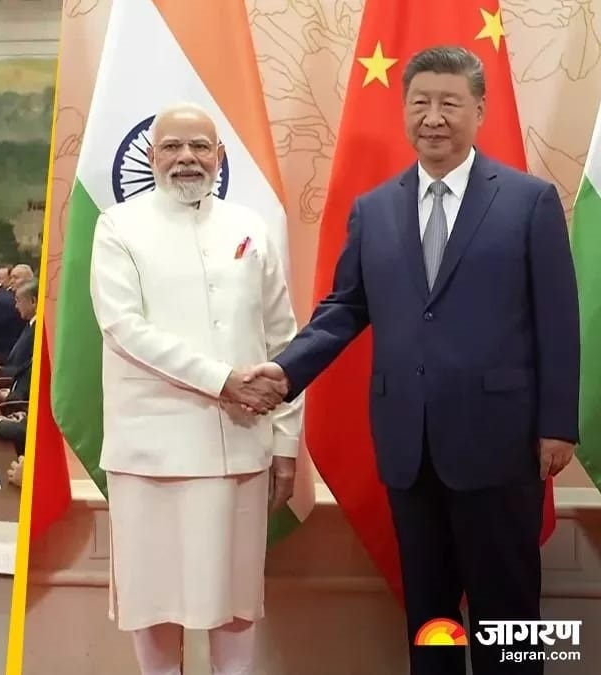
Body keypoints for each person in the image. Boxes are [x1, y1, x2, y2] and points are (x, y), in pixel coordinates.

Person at [248, 47, 580, 675]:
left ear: (479, 110)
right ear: (404, 111)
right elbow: (345, 308)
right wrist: (287, 371)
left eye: (449, 103)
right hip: (409, 446)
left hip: (502, 444)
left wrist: (558, 425)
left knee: (509, 610)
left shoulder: (528, 201)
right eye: (420, 103)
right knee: (430, 611)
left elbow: (559, 321)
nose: (433, 117)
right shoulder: (374, 209)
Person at [90, 102, 301, 675]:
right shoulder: (118, 226)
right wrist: (221, 380)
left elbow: (284, 341)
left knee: (236, 608)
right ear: (151, 156)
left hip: (241, 450)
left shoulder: (249, 227)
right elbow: (123, 328)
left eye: (200, 146)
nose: (187, 158)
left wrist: (286, 443)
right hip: (150, 457)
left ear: (219, 156)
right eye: (172, 147)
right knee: (153, 608)